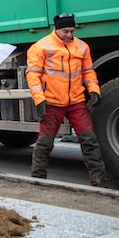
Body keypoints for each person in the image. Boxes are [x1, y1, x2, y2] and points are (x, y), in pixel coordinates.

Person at [26, 13, 106, 186]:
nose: (69, 35)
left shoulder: (82, 47)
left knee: (89, 139)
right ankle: (38, 177)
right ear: (57, 29)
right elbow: (33, 76)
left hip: (76, 101)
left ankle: (99, 179)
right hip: (52, 102)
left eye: (72, 31)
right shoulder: (40, 47)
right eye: (65, 31)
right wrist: (39, 100)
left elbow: (88, 72)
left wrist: (94, 90)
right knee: (45, 142)